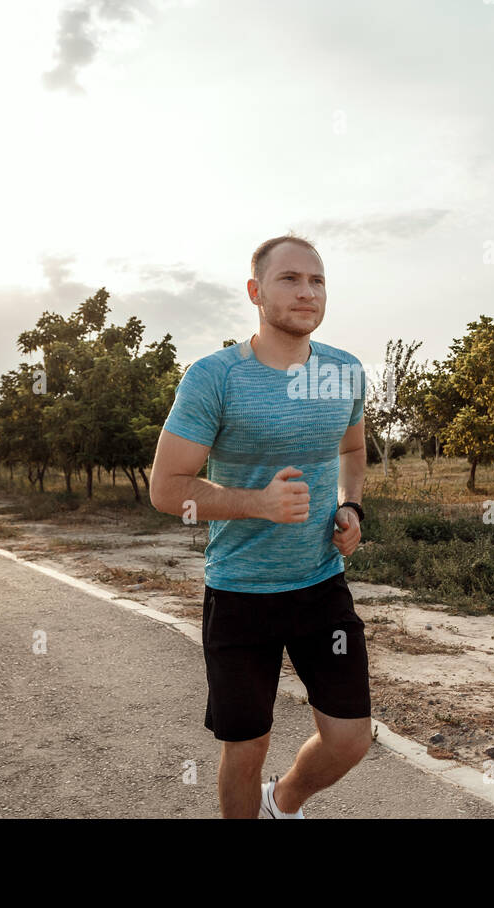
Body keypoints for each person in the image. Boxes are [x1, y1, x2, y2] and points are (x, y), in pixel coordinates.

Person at [150, 234, 371, 818]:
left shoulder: (345, 372)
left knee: (351, 738)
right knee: (245, 751)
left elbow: (352, 450)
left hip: (321, 586)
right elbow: (167, 488)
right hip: (241, 591)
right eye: (290, 279)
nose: (307, 292)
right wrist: (258, 504)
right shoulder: (214, 377)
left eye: (317, 281)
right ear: (255, 292)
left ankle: (286, 802)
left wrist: (351, 508)